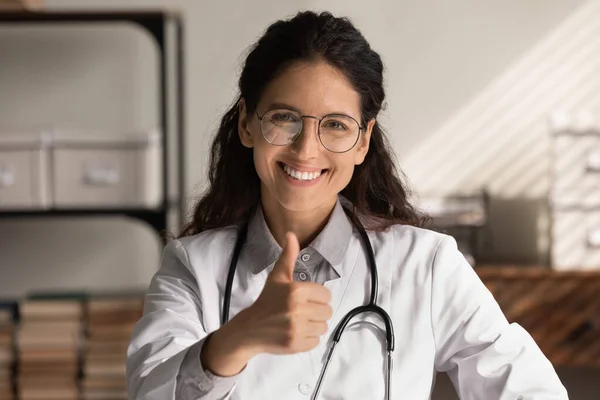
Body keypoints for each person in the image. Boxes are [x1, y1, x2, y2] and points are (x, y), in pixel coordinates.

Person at [126, 11, 568, 400]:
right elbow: (150, 392)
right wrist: (236, 339)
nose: (306, 150)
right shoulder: (191, 267)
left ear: (363, 141)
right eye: (285, 118)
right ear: (246, 123)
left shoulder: (427, 265)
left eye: (335, 125)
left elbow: (530, 390)